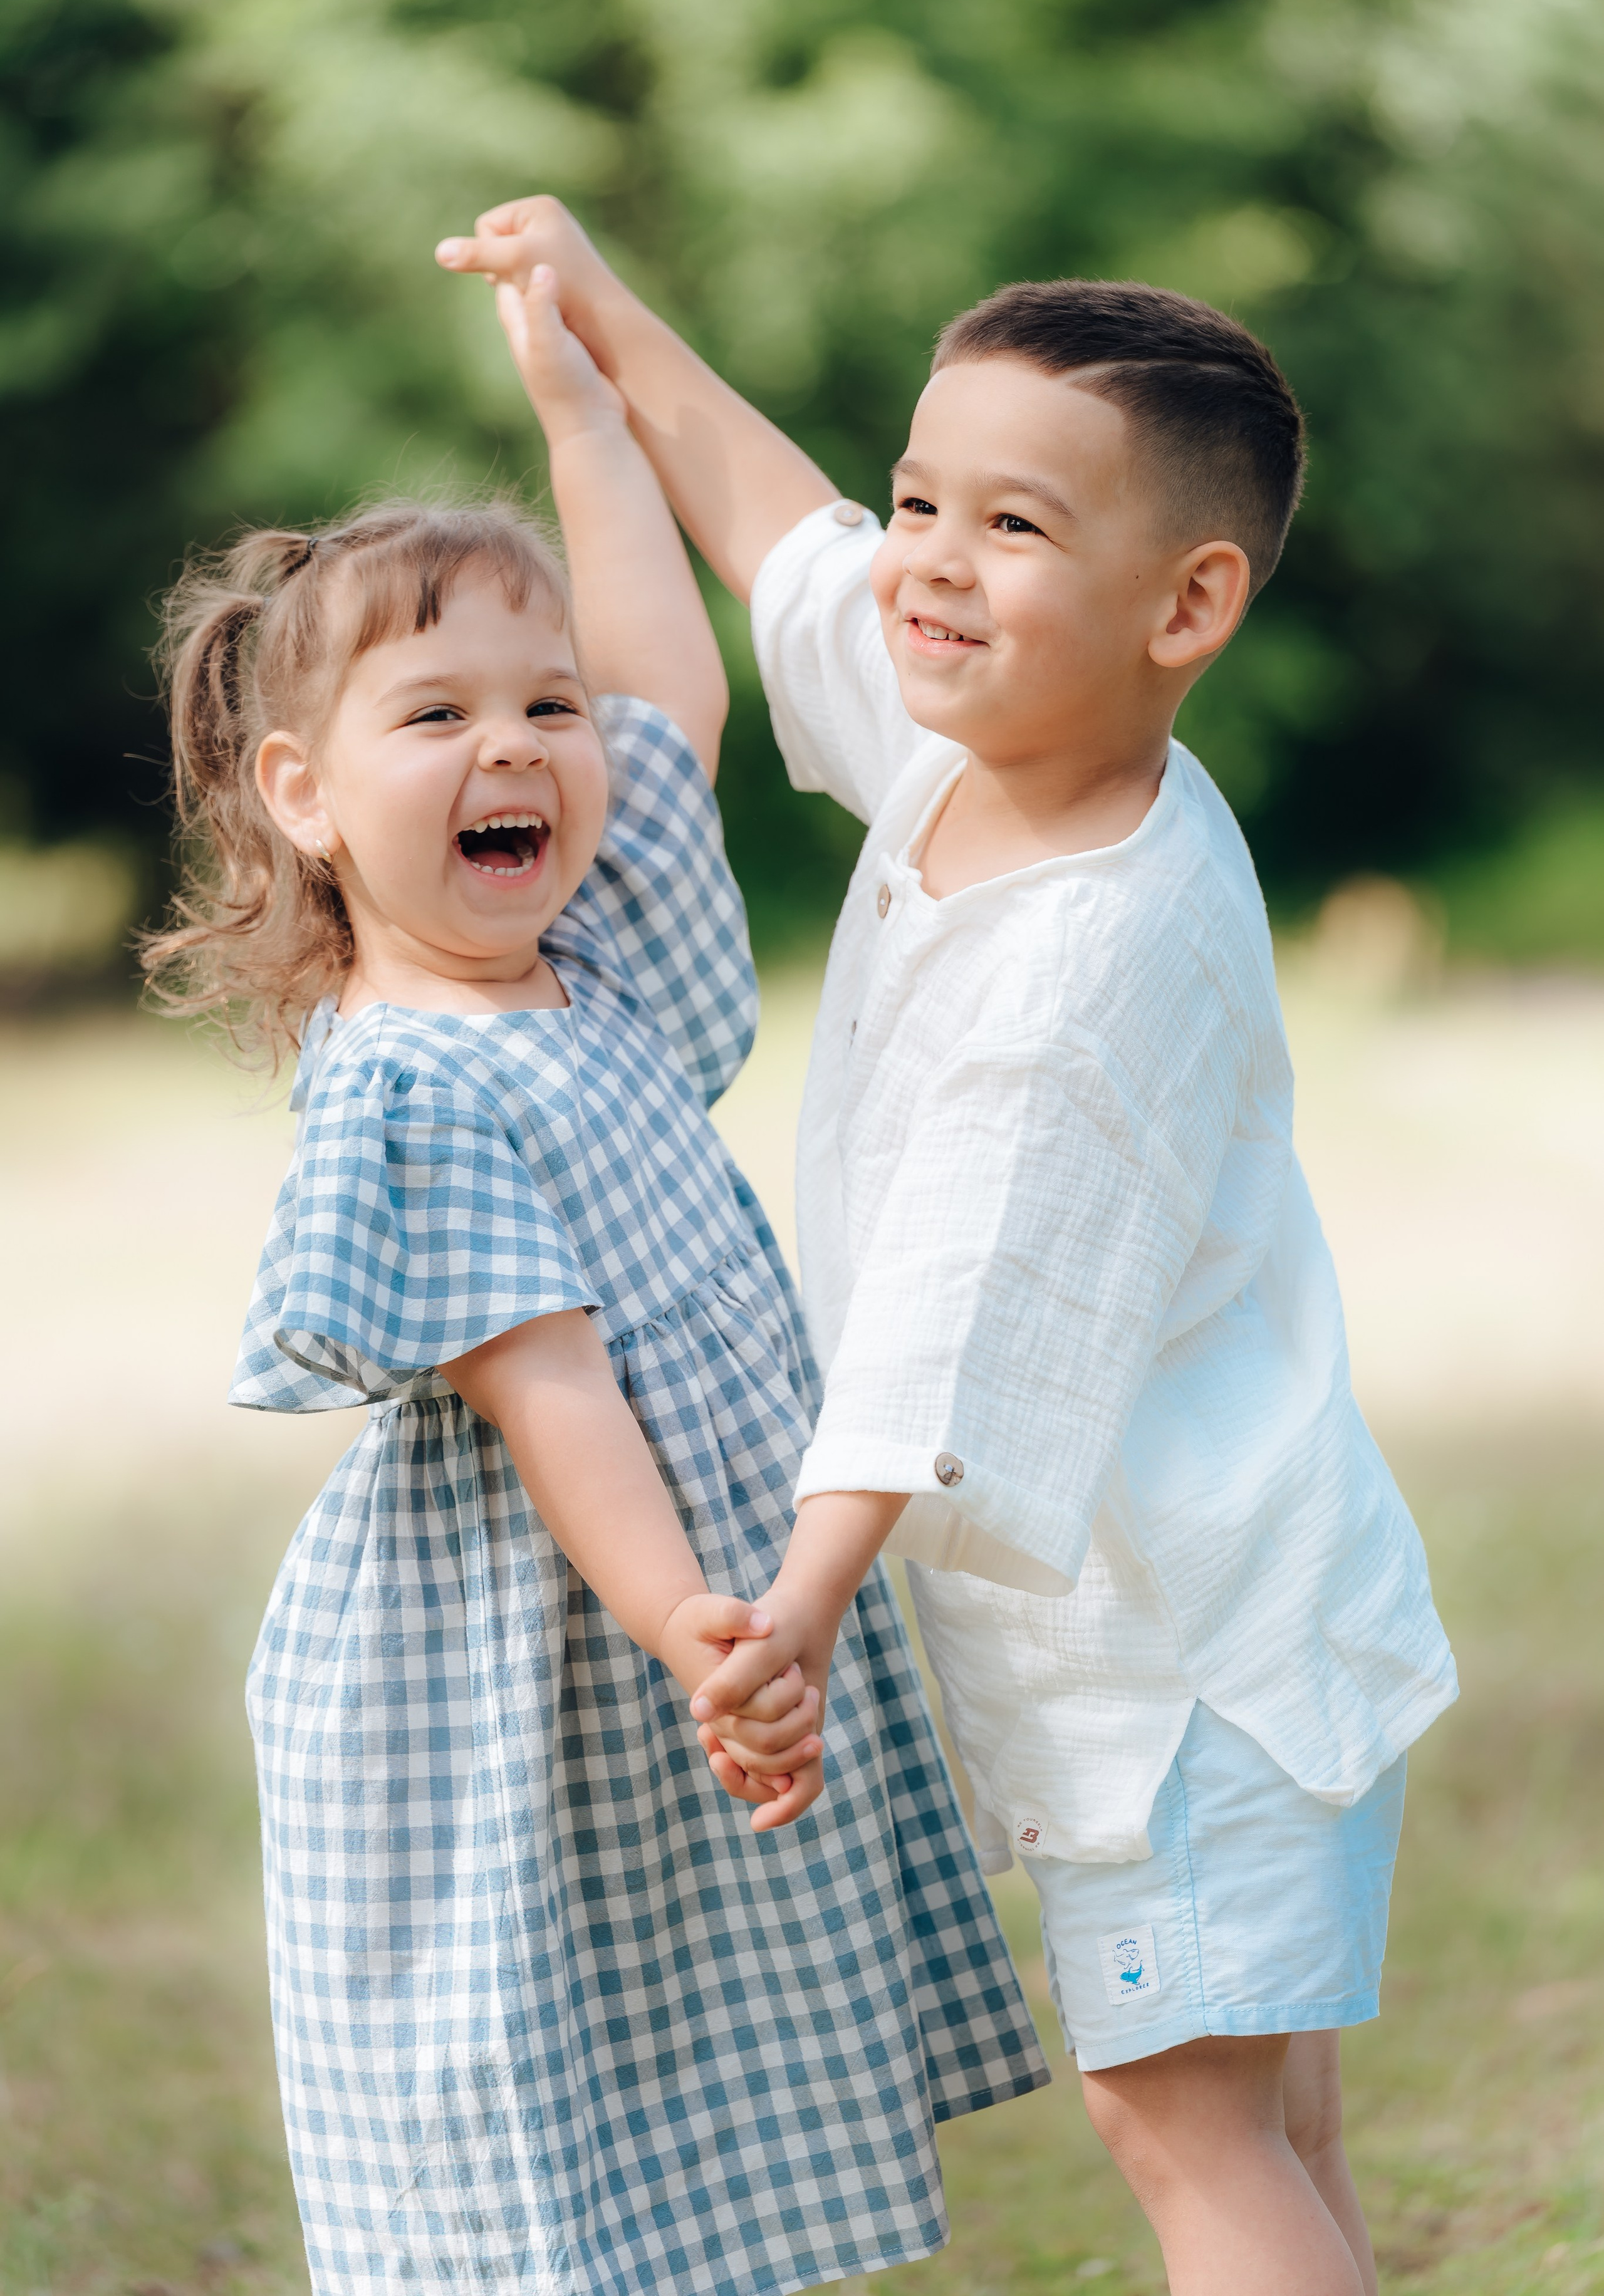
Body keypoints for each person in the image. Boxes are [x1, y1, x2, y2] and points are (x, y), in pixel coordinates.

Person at [437, 202, 1459, 2296]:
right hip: (1249, 1608)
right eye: (925, 499)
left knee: (1189, 2132)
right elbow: (784, 537)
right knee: (1261, 2126)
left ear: (1189, 603)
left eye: (1012, 525)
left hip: (1186, 1668)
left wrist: (797, 1614)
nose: (924, 560)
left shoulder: (1082, 963)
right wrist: (606, 325)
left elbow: (940, 1325)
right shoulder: (986, 749)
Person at [140, 262, 1047, 2296]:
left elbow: (667, 691)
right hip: (537, 1644)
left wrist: (579, 413)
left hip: (677, 1604)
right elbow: (551, 1387)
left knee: (704, 2060)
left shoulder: (592, 963)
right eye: (437, 716)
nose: (523, 747)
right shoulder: (413, 1082)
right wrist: (689, 1624)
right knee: (545, 2093)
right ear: (303, 794)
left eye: (538, 708)